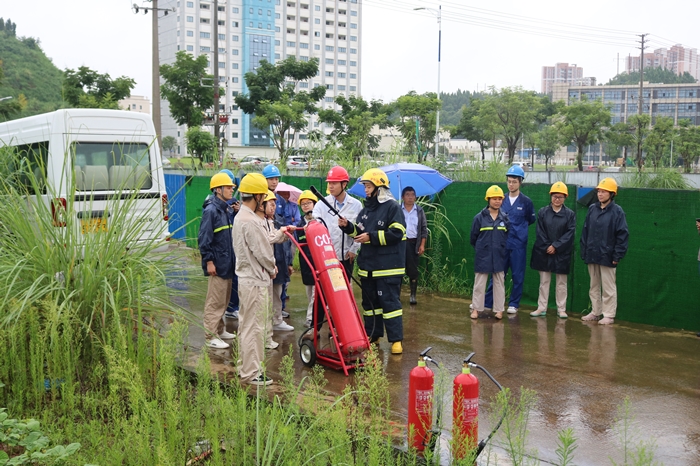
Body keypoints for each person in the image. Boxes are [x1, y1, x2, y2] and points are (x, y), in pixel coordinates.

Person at [338, 168, 407, 355]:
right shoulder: (366, 209)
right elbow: (360, 234)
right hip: (368, 267)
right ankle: (373, 335)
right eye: (365, 186)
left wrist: (372, 237)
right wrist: (348, 227)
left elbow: (398, 233)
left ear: (379, 187)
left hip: (388, 269)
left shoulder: (393, 208)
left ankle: (396, 340)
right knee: (370, 305)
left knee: (390, 305)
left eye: (368, 186)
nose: (366, 190)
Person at [232, 173, 278, 386]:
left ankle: (245, 367)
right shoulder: (250, 221)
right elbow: (264, 253)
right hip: (255, 280)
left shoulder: (240, 216)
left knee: (247, 325)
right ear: (258, 196)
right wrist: (272, 267)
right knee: (254, 327)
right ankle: (251, 373)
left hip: (246, 279)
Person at [484, 165, 535, 315]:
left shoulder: (526, 202)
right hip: (502, 243)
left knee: (517, 275)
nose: (511, 184)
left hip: (518, 244)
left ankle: (513, 303)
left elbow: (531, 219)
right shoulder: (501, 200)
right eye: (509, 181)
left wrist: (519, 232)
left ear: (520, 182)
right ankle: (488, 302)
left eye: (514, 181)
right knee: (497, 274)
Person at [580, 177, 629, 325]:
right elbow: (585, 231)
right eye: (599, 191)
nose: (600, 194)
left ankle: (608, 315)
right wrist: (585, 251)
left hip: (608, 256)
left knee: (608, 287)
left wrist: (617, 255)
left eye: (604, 191)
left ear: (612, 194)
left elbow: (622, 234)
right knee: (594, 285)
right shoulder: (592, 209)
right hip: (592, 254)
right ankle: (595, 312)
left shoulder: (617, 212)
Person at [198, 173, 237, 349]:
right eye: (228, 187)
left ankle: (220, 330)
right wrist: (209, 261)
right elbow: (204, 239)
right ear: (217, 190)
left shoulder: (225, 210)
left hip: (226, 263)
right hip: (217, 264)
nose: (231, 189)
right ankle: (210, 335)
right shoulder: (211, 211)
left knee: (224, 299)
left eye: (231, 187)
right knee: (215, 301)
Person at [529, 182, 576, 319]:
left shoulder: (570, 214)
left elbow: (570, 233)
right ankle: (541, 307)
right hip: (543, 252)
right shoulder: (543, 212)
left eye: (560, 197)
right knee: (544, 281)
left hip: (562, 253)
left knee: (561, 282)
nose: (557, 199)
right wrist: (547, 246)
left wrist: (556, 246)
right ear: (551, 196)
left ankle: (561, 309)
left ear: (565, 198)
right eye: (555, 196)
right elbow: (540, 231)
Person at [313, 166, 363, 279]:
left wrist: (353, 250)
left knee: (343, 291)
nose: (330, 186)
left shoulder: (356, 205)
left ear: (344, 184)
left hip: (346, 257)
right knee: (325, 292)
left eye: (334, 183)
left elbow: (360, 230)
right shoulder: (321, 205)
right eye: (329, 183)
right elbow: (314, 224)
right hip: (326, 258)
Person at [470, 185, 510, 320]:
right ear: (488, 199)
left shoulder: (505, 218)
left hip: (499, 256)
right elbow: (473, 238)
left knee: (499, 283)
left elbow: (506, 235)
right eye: (494, 198)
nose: (497, 201)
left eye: (500, 199)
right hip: (483, 256)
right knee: (479, 284)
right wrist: (482, 248)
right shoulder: (479, 218)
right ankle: (476, 309)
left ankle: (499, 310)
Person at [262, 190, 294, 350]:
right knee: (266, 299)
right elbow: (266, 242)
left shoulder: (276, 221)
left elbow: (282, 243)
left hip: (277, 264)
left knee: (277, 294)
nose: (273, 207)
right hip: (266, 267)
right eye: (271, 204)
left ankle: (276, 321)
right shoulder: (259, 222)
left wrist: (288, 262)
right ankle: (266, 334)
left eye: (275, 204)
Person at [295, 190, 320, 329]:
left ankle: (311, 319)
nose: (306, 206)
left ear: (314, 204)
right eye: (303, 204)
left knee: (316, 292)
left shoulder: (319, 221)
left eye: (308, 203)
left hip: (317, 261)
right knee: (309, 292)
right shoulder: (299, 225)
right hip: (305, 261)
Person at [401, 186, 428, 305]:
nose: (410, 197)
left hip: (413, 244)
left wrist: (422, 245)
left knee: (413, 270)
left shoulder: (419, 211)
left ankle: (413, 295)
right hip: (400, 244)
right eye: (407, 195)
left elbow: (423, 229)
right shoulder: (397, 209)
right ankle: (396, 295)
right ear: (403, 197)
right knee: (398, 269)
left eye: (412, 195)